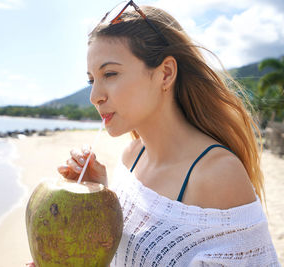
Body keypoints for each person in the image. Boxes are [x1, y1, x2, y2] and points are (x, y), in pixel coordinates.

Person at [27, 1, 279, 266]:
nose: (94, 96)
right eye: (92, 80)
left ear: (165, 74)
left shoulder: (217, 176)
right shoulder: (131, 157)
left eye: (110, 73)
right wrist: (100, 200)